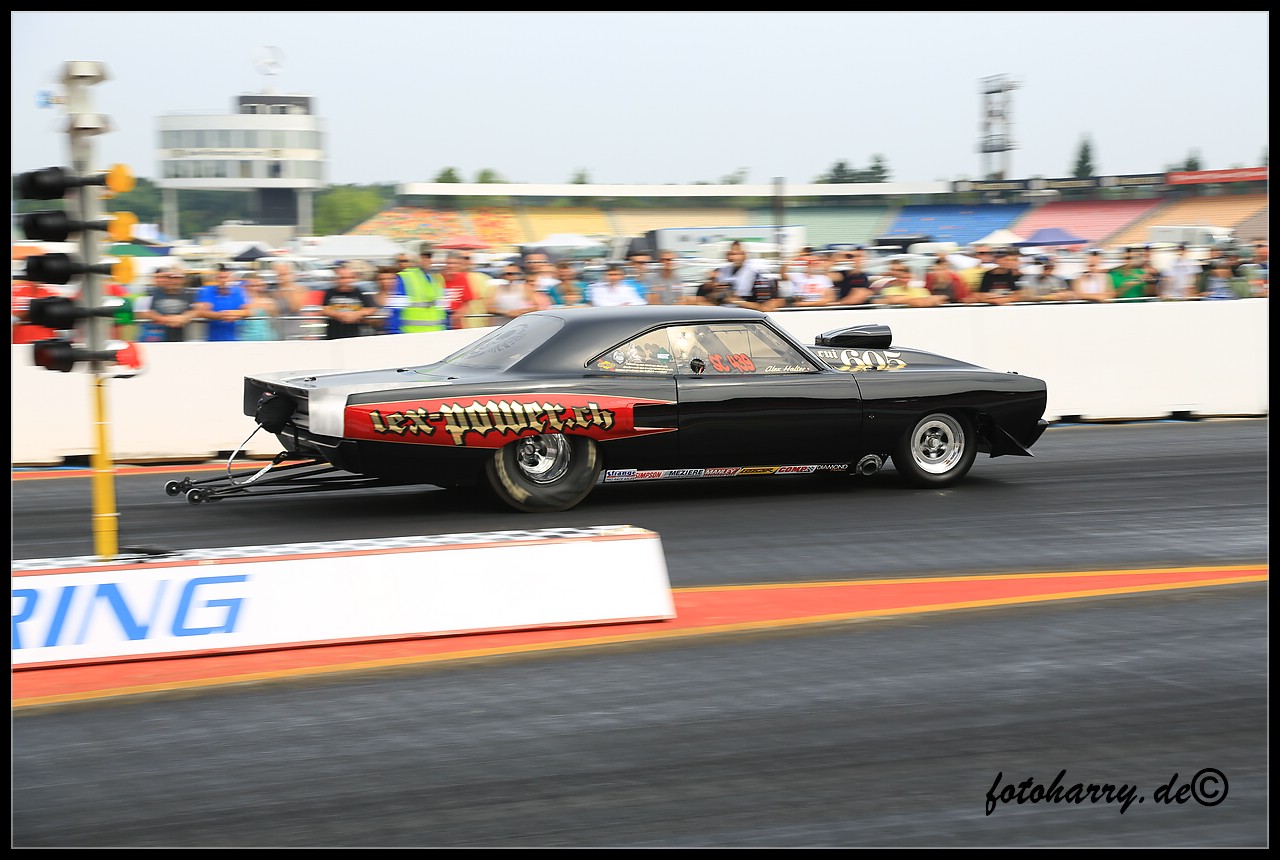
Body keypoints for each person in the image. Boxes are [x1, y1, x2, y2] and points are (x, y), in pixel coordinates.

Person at [194, 264, 250, 342]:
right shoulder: (207, 291)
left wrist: (234, 314)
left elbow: (248, 310)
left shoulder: (238, 291)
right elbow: (201, 311)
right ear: (216, 279)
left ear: (230, 279)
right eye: (220, 278)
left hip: (235, 340)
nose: (223, 281)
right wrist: (221, 316)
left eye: (226, 277)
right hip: (213, 340)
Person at [320, 263, 377, 339]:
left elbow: (371, 308)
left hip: (354, 335)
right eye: (342, 278)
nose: (345, 281)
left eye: (349, 278)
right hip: (334, 335)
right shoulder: (330, 292)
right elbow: (324, 309)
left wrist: (357, 314)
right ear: (336, 279)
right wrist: (340, 315)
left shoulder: (360, 292)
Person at [140, 267, 196, 342]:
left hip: (181, 337)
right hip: (155, 336)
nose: (174, 281)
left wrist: (185, 317)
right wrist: (167, 320)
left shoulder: (189, 293)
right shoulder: (152, 292)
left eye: (177, 278)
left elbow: (196, 310)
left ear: (183, 279)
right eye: (170, 278)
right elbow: (145, 312)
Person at [397, 250, 447, 333]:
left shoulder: (438, 278)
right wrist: (396, 333)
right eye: (422, 257)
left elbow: (443, 308)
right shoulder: (404, 277)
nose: (426, 260)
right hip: (411, 333)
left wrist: (446, 330)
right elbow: (396, 310)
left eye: (428, 257)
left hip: (436, 332)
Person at [874, 261, 946, 307]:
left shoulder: (922, 290)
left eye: (907, 277)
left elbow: (931, 301)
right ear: (898, 278)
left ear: (911, 277)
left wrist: (904, 299)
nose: (905, 280)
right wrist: (918, 300)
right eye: (903, 278)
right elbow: (892, 300)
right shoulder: (888, 290)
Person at [439, 251, 478, 329]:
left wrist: (458, 314)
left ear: (459, 265)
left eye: (455, 263)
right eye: (449, 263)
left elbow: (467, 302)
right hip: (440, 323)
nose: (451, 266)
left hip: (456, 325)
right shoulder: (438, 278)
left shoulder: (463, 278)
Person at [238, 272, 279, 341]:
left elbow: (275, 322)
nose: (255, 288)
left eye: (257, 285)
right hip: (246, 341)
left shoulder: (268, 302)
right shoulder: (238, 301)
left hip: (267, 340)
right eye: (251, 285)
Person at [369, 265, 406, 334]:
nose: (385, 281)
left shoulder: (404, 298)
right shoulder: (370, 298)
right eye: (382, 279)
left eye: (390, 279)